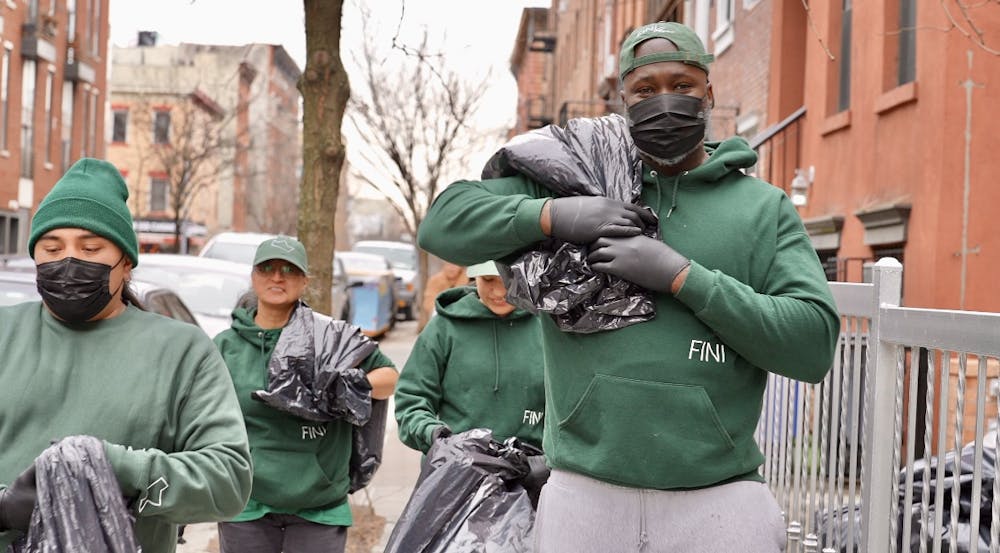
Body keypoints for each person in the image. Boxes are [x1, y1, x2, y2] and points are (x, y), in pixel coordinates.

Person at [416, 21, 840, 553]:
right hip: (584, 493)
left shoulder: (762, 209)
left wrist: (682, 277)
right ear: (624, 99)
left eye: (682, 85)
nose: (665, 102)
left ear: (708, 93)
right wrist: (555, 214)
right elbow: (443, 224)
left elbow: (812, 345)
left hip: (719, 498)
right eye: (645, 89)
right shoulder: (580, 176)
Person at [0, 158, 252, 552]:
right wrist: (4, 507)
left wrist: (117, 469)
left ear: (126, 262)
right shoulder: (4, 332)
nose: (68, 261)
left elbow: (229, 481)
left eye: (90, 248)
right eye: (52, 248)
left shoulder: (181, 352)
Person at [213, 236, 398, 553]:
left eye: (289, 270)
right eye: (267, 268)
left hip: (319, 503)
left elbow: (389, 378)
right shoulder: (225, 346)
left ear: (304, 281)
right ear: (254, 276)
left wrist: (346, 385)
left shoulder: (329, 337)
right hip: (246, 501)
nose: (277, 277)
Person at [395, 260, 545, 453]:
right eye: (489, 279)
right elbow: (412, 399)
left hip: (532, 466)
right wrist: (434, 435)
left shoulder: (546, 329)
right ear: (475, 277)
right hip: (456, 463)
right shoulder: (443, 329)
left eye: (509, 280)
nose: (499, 292)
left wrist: (549, 458)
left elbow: (568, 406)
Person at [419, 261, 467, 326]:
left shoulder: (468, 279)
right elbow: (429, 300)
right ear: (444, 265)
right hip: (440, 315)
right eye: (449, 264)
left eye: (455, 265)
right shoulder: (435, 280)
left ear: (460, 267)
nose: (451, 268)